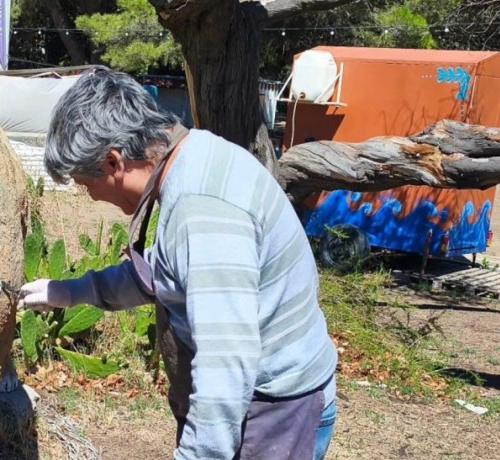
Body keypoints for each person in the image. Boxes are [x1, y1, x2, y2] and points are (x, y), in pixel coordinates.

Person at [18, 68, 338, 460]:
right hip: (255, 400)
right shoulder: (192, 156)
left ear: (114, 162)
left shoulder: (202, 210)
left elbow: (226, 368)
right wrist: (68, 292)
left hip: (273, 410)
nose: (92, 200)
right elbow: (161, 276)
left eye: (88, 187)